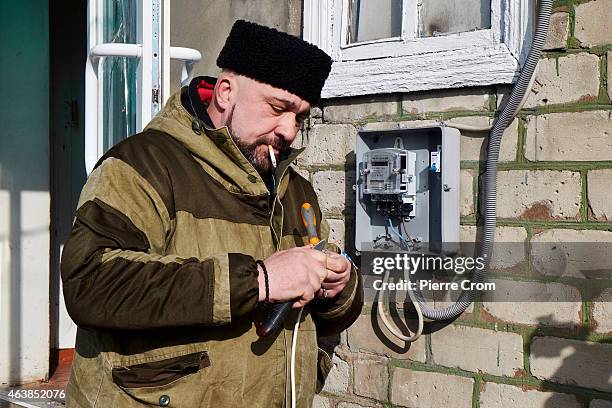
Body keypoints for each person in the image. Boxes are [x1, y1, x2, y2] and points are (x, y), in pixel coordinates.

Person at [60, 20, 363, 407]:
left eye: (300, 117)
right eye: (277, 108)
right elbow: (90, 283)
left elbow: (327, 317)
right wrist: (260, 280)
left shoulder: (296, 190)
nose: (289, 130)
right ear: (225, 93)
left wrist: (339, 289)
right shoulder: (143, 165)